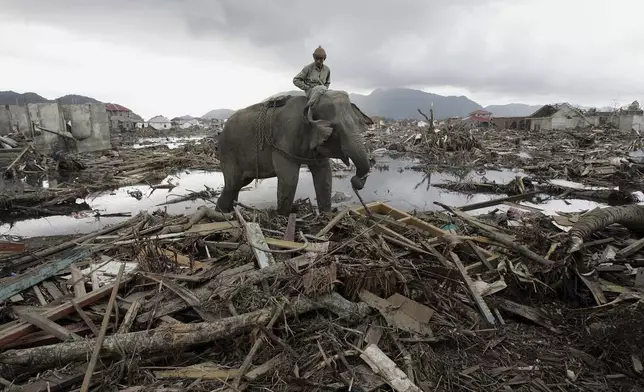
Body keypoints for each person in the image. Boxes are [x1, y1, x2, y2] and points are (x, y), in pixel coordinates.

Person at [293, 46, 331, 113]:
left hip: (323, 91)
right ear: (314, 57)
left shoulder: (327, 70)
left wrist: (325, 88)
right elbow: (296, 80)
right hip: (311, 91)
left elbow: (327, 82)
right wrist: (307, 88)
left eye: (321, 59)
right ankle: (308, 108)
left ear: (324, 58)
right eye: (317, 58)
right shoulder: (308, 68)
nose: (318, 61)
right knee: (320, 88)